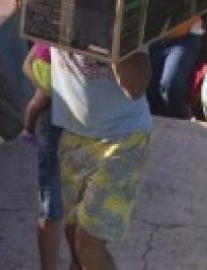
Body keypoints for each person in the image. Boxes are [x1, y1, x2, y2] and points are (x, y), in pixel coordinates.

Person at [52, 47, 152, 270]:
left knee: (87, 243)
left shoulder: (124, 15)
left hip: (123, 139)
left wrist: (111, 40)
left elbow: (135, 87)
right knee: (73, 236)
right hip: (72, 134)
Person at [147, 5, 207, 119]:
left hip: (185, 37)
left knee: (171, 86)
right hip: (148, 40)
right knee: (150, 96)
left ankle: (183, 125)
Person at [22, 42, 63, 270]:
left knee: (82, 211)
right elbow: (27, 64)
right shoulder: (54, 23)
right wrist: (47, 89)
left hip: (92, 126)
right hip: (53, 117)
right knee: (50, 205)